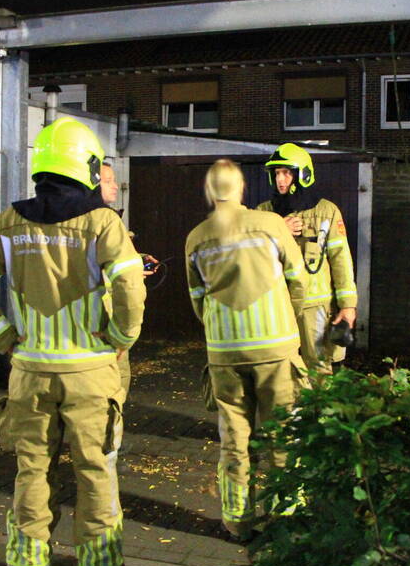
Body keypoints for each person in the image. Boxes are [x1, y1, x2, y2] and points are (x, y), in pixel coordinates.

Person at [0, 116, 145, 566]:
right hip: (91, 372)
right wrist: (120, 339)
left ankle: (27, 564)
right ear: (88, 165)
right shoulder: (103, 222)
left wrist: (2, 337)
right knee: (95, 471)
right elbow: (130, 289)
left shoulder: (8, 222)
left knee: (31, 470)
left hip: (30, 371)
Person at [185, 159, 306, 541]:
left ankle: (237, 522)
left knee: (235, 440)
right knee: (284, 434)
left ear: (209, 192)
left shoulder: (196, 238)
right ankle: (287, 517)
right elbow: (298, 280)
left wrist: (220, 330)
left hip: (225, 353)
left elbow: (197, 299)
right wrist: (290, 321)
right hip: (274, 348)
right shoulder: (270, 225)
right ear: (241, 189)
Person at [257, 143, 358, 376]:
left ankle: (320, 413)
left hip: (316, 307)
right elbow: (250, 257)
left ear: (302, 174)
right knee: (279, 367)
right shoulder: (263, 214)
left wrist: (348, 306)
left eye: (286, 172)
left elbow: (341, 260)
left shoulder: (327, 212)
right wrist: (277, 230)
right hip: (278, 305)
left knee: (320, 367)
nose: (280, 179)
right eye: (276, 173)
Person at [99, 161, 158, 401]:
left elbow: (113, 260)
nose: (115, 186)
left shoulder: (107, 220)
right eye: (108, 181)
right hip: (104, 327)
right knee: (110, 394)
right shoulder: (94, 224)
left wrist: (138, 260)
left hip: (111, 323)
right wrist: (125, 338)